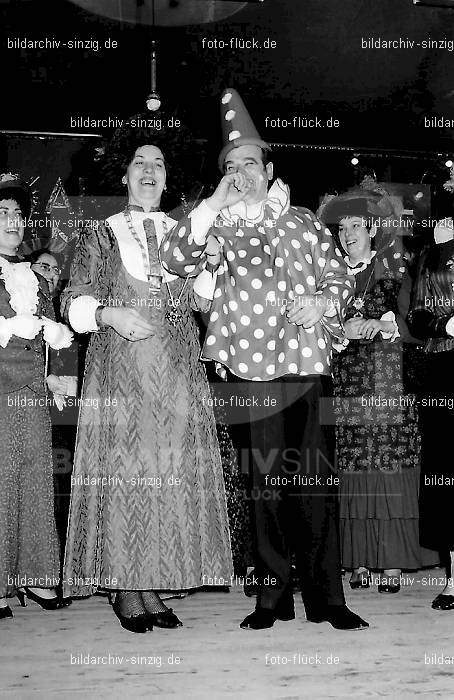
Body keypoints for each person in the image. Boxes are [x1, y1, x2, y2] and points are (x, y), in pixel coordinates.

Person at [161, 88, 368, 631]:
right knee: (265, 486)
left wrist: (323, 300)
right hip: (251, 372)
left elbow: (341, 277)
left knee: (316, 485)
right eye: (232, 167)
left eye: (250, 164)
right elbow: (175, 257)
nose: (242, 174)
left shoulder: (303, 221)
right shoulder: (218, 226)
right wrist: (211, 204)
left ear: (269, 167)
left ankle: (328, 598)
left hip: (305, 363)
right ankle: (270, 598)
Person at [61, 140, 233, 633]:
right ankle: (125, 586)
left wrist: (213, 267)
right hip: (122, 371)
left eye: (158, 162)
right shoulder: (101, 233)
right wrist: (107, 312)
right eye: (140, 161)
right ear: (125, 177)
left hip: (176, 372)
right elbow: (73, 300)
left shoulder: (186, 234)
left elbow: (201, 302)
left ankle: (152, 584)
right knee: (125, 474)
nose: (149, 169)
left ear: (166, 176)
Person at [319, 187, 437, 594]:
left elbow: (416, 325)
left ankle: (390, 562)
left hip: (387, 377)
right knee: (352, 464)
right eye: (342, 226)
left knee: (387, 461)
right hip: (345, 380)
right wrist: (341, 329)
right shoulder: (327, 276)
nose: (348, 233)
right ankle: (358, 559)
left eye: (356, 225)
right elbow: (310, 330)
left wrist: (385, 326)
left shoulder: (397, 270)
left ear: (372, 228)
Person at [0, 173, 73, 620]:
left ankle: (36, 575)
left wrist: (54, 361)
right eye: (2, 213)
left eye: (17, 214)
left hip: (31, 390)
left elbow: (53, 335)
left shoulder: (33, 274)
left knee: (35, 482)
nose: (12, 221)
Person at [408, 217, 454, 610]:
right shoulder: (435, 249)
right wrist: (448, 323)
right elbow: (417, 316)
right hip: (445, 368)